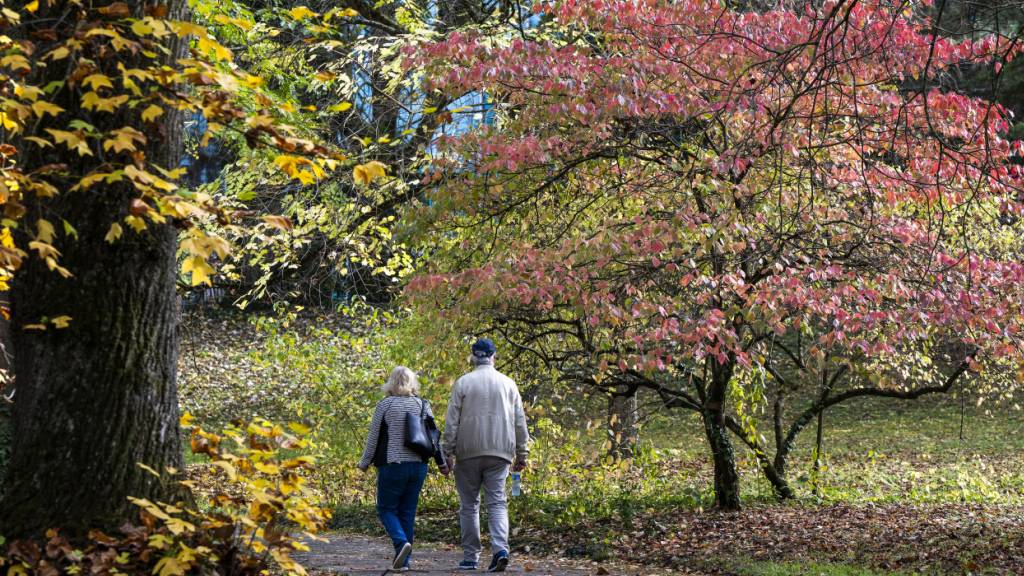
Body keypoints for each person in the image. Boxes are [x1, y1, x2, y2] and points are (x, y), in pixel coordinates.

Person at [443, 338, 529, 572]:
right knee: (497, 502)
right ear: (493, 356)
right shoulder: (508, 383)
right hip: (500, 452)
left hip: (467, 452)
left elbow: (452, 422)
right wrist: (522, 453)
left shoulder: (463, 383)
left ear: (473, 357)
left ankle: (471, 557)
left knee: (469, 505)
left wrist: (447, 452)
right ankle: (501, 549)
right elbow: (519, 421)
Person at [358, 366, 446, 572]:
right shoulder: (423, 404)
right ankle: (403, 562)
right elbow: (434, 437)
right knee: (407, 512)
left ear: (391, 382)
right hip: (418, 466)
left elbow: (373, 438)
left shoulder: (385, 405)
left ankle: (400, 543)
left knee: (386, 509)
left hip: (393, 465)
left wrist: (364, 463)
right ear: (412, 383)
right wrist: (441, 463)